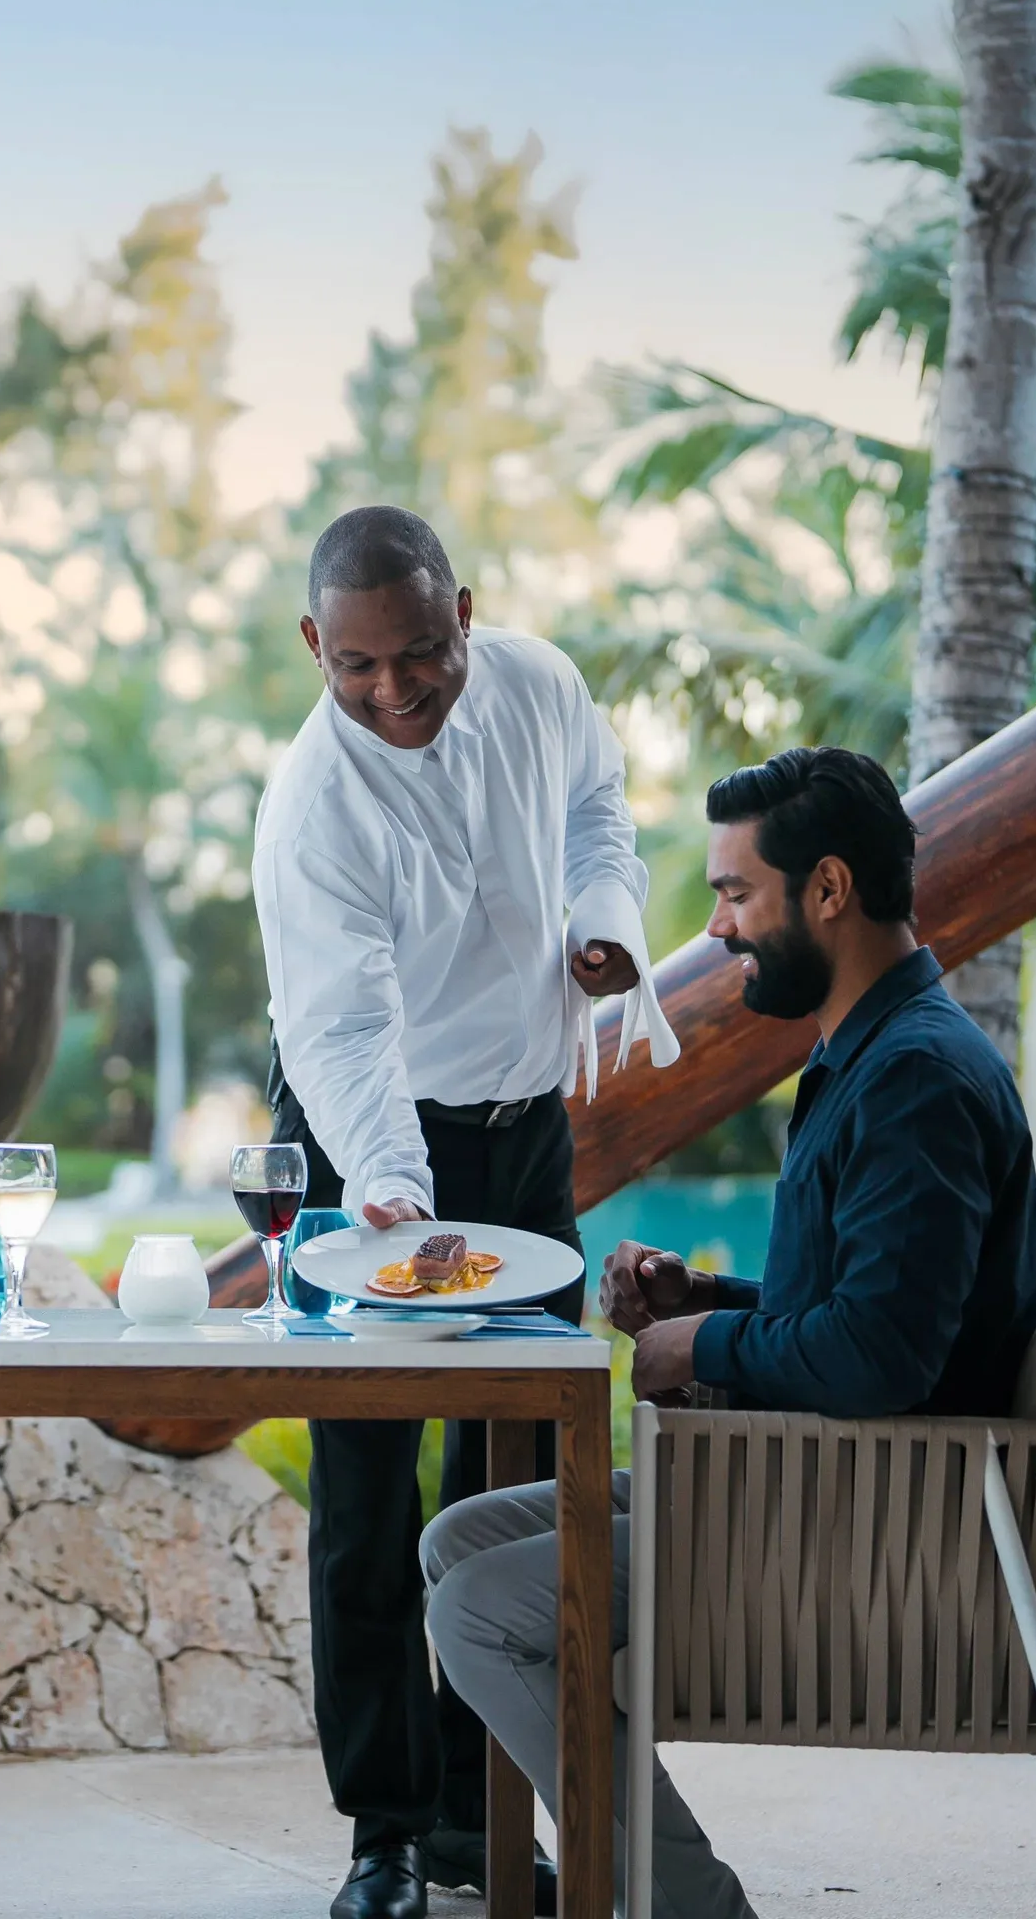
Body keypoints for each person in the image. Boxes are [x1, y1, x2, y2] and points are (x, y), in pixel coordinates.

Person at [418, 747, 1036, 1918]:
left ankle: (695, 1906)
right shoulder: (871, 1055)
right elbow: (870, 1305)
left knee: (478, 1609)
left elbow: (882, 1356)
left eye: (735, 893)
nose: (716, 928)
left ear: (829, 889)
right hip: (815, 1481)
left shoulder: (915, 1078)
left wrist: (698, 1349)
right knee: (460, 1538)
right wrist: (701, 1296)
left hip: (863, 1529)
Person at [252, 505, 679, 1919]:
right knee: (368, 1488)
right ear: (314, 645)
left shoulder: (542, 685)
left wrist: (601, 920)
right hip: (361, 1127)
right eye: (358, 665)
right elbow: (344, 1030)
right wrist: (386, 1196)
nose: (396, 689)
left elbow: (597, 805)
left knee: (515, 1479)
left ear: (467, 616)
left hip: (522, 1124)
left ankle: (479, 1818)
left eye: (422, 653)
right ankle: (385, 1831)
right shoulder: (313, 808)